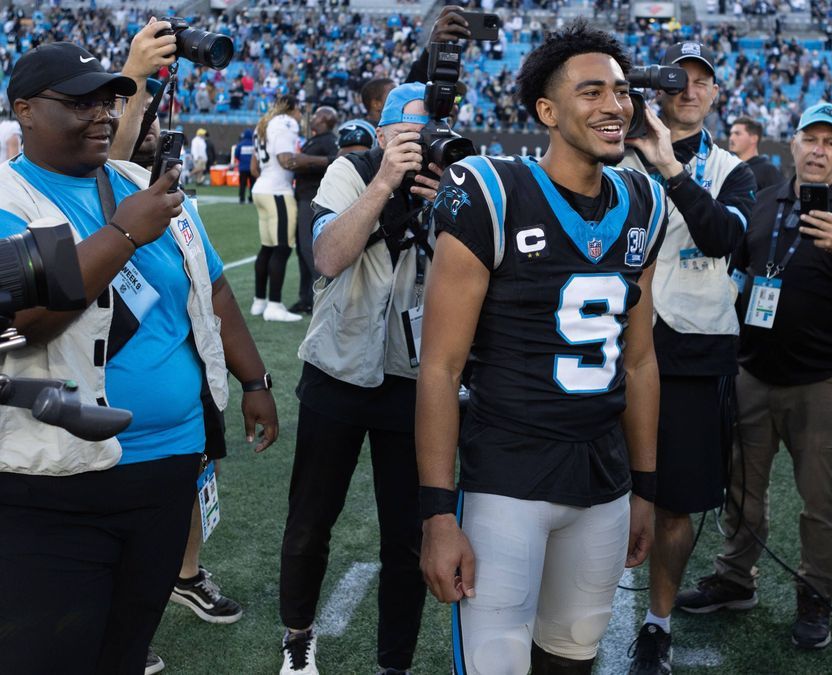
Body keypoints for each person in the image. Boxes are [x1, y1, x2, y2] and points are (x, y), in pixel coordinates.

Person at [0, 42, 278, 675]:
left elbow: (212, 288)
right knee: (49, 654)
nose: (102, 113)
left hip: (168, 468)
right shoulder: (11, 201)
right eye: (79, 102)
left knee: (126, 647)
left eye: (108, 99)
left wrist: (255, 379)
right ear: (25, 111)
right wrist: (123, 234)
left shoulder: (135, 184)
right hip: (56, 482)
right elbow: (26, 325)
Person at [417, 23, 664, 674]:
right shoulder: (492, 191)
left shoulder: (646, 202)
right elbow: (439, 369)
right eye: (592, 91)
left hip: (604, 482)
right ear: (547, 111)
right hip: (508, 481)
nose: (615, 105)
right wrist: (439, 514)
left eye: (620, 90)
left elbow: (638, 360)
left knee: (572, 660)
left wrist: (645, 485)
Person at [677, 102, 832, 650]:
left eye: (831, 142)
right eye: (810, 139)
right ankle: (735, 578)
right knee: (742, 489)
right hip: (753, 368)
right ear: (792, 145)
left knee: (821, 502)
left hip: (823, 382)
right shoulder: (764, 199)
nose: (819, 150)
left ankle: (815, 597)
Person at [277, 84, 440, 675]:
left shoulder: (455, 182)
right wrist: (384, 185)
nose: (423, 143)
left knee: (407, 537)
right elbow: (327, 256)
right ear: (383, 133)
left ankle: (394, 662)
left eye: (432, 129)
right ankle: (298, 636)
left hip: (413, 377)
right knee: (310, 521)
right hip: (338, 369)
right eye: (411, 132)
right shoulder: (353, 168)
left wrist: (446, 206)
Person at [619, 41, 757, 675]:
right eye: (677, 79)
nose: (689, 90)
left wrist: (671, 169)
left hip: (693, 354)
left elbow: (728, 238)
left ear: (716, 95)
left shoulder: (734, 170)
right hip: (606, 344)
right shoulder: (613, 148)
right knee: (590, 491)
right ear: (656, 90)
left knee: (676, 504)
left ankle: (658, 622)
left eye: (701, 81)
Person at [250, 95, 304, 322]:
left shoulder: (263, 124)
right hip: (277, 192)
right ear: (292, 109)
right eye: (300, 109)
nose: (301, 114)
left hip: (261, 189)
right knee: (282, 249)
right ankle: (274, 305)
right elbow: (285, 159)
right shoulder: (285, 122)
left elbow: (254, 168)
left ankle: (259, 301)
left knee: (268, 248)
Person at [288, 106, 341, 314]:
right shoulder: (314, 139)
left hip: (313, 199)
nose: (314, 118)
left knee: (309, 250)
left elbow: (337, 161)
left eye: (318, 114)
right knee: (302, 250)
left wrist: (306, 160)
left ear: (326, 119)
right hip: (302, 196)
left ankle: (325, 295)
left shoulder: (329, 140)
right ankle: (306, 298)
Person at [728, 116, 783, 191]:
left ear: (754, 138)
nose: (731, 138)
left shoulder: (769, 171)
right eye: (731, 134)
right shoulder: (729, 168)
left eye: (737, 134)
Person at [235, 128, 256, 204]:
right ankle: (252, 198)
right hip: (252, 168)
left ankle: (242, 198)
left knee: (242, 184)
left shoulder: (240, 144)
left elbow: (236, 155)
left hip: (243, 168)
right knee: (253, 184)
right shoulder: (254, 145)